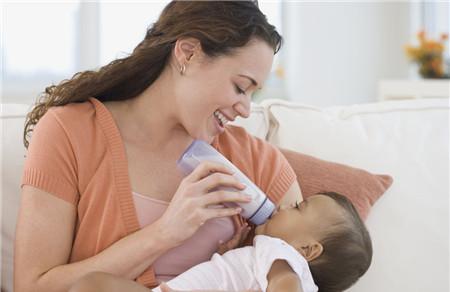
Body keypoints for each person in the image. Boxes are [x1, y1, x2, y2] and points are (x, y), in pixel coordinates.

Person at [14, 1, 305, 291]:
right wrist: (165, 233)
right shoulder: (70, 133)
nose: (244, 109)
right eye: (240, 87)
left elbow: (310, 266)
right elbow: (32, 286)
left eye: (253, 94)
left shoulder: (258, 162)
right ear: (188, 54)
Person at [68, 192, 373, 292]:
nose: (285, 205)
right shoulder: (264, 254)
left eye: (297, 208)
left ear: (307, 250)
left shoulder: (283, 254)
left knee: (90, 285)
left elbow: (285, 283)